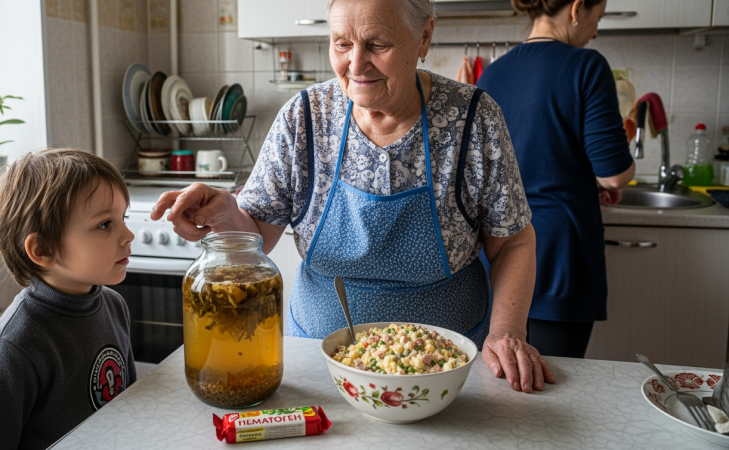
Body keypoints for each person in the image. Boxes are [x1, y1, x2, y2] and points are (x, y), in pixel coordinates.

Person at [153, 0, 554, 393]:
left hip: (446, 370)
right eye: (342, 43)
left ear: (424, 36)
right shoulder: (304, 119)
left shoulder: (473, 120)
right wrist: (226, 214)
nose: (356, 64)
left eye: (377, 45)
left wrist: (506, 331)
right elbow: (257, 233)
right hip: (317, 367)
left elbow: (513, 242)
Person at [477, 0, 635, 358]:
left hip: (500, 256)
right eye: (599, 16)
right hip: (561, 255)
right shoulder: (587, 66)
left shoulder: (492, 74)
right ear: (578, 8)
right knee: (553, 387)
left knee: (501, 382)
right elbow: (613, 174)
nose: (596, 30)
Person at [0, 149, 137, 449]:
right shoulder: (13, 347)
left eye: (123, 218)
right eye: (105, 224)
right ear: (43, 250)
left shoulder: (114, 306)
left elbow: (130, 406)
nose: (128, 234)